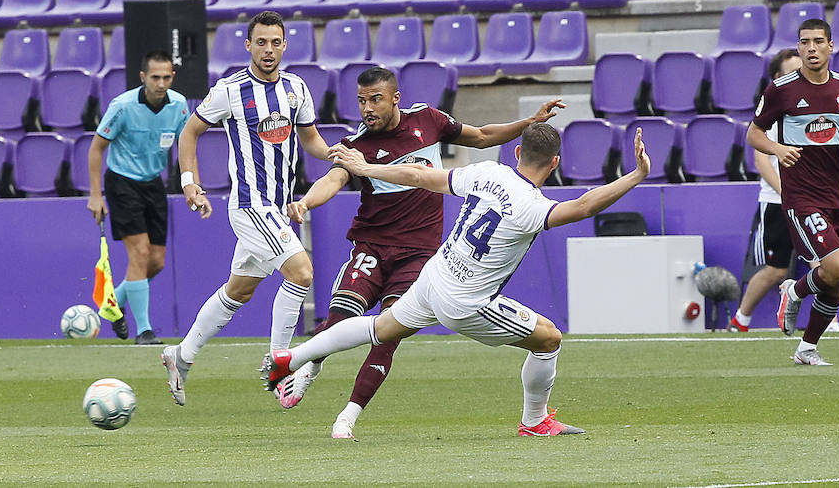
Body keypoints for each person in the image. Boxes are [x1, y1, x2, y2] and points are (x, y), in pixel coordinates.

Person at [261, 123, 650, 436]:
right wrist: (635, 175)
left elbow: (417, 174)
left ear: (516, 153)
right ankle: (535, 422)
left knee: (379, 327)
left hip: (436, 274)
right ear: (555, 163)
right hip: (466, 301)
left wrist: (365, 169)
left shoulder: (486, 172)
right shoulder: (534, 207)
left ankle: (289, 358)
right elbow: (582, 206)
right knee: (548, 338)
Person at [278, 65, 565, 439]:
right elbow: (333, 178)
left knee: (387, 335)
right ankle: (308, 368)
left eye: (375, 99)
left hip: (418, 255)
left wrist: (529, 122)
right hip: (372, 247)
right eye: (362, 101)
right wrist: (306, 202)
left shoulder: (427, 120)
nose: (368, 108)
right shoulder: (357, 146)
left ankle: (346, 417)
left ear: (394, 98)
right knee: (340, 316)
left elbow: (480, 137)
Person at [161, 10, 334, 406]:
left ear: (285, 45)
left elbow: (311, 140)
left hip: (275, 205)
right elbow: (190, 132)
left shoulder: (296, 88)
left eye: (276, 42)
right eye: (261, 42)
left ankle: (181, 355)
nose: (268, 49)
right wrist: (191, 184)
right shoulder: (230, 89)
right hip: (250, 205)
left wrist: (336, 154)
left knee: (238, 290)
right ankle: (280, 364)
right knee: (302, 272)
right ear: (248, 46)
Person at [748, 19, 839, 365]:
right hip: (802, 195)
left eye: (817, 42)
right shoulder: (780, 90)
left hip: (838, 194)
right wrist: (777, 150)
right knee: (838, 267)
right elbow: (753, 134)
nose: (811, 48)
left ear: (830, 46)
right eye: (804, 42)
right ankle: (793, 290)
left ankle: (806, 348)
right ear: (798, 47)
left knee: (837, 279)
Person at [87, 51, 190, 345]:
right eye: (155, 77)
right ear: (143, 77)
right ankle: (144, 331)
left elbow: (186, 147)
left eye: (166, 77)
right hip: (122, 183)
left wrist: (191, 183)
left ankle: (114, 302)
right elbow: (96, 149)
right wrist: (96, 195)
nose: (161, 83)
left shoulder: (179, 106)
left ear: (173, 77)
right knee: (140, 253)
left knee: (155, 262)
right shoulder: (122, 106)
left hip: (153, 184)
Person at [729, 49, 802, 332]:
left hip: (808, 202)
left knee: (826, 262)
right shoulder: (770, 112)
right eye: (792, 73)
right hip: (776, 203)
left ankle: (830, 323)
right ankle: (740, 320)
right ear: (778, 78)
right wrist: (788, 193)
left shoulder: (811, 111)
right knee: (775, 270)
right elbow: (761, 160)